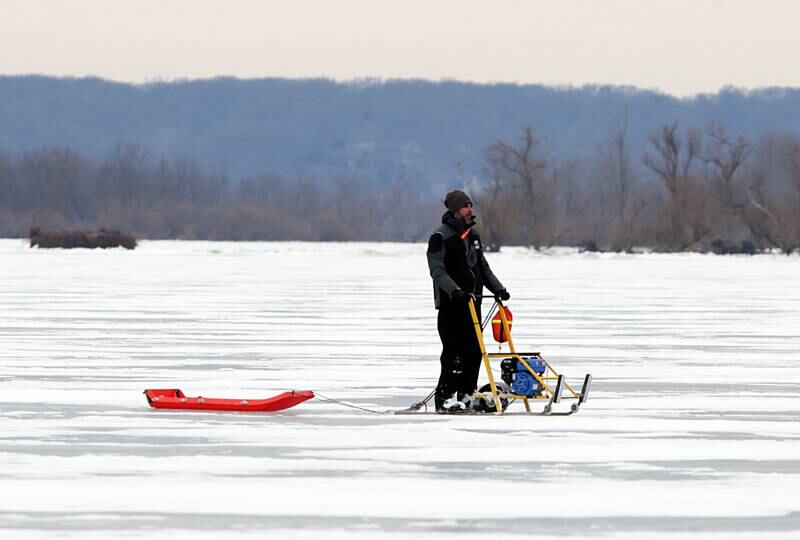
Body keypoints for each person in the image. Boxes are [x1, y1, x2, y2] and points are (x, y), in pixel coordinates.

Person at [426, 189, 510, 413]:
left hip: (474, 305)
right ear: (455, 210)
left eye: (470, 205)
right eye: (465, 206)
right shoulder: (440, 236)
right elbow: (437, 271)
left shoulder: (473, 236)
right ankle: (443, 400)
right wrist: (455, 291)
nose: (470, 209)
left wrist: (498, 288)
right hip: (451, 306)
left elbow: (482, 267)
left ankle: (466, 396)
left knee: (474, 352)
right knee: (453, 355)